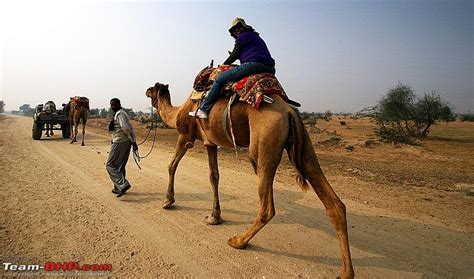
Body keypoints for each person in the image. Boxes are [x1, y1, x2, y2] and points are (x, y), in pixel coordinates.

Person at [189, 18, 276, 119]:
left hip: (255, 64)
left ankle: (203, 109)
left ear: (244, 27)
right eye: (234, 29)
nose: (236, 30)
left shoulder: (243, 36)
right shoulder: (254, 37)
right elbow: (242, 54)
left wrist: (222, 66)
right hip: (268, 67)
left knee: (219, 79)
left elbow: (234, 55)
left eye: (238, 27)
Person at [106, 98, 138, 198]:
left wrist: (132, 139)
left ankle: (123, 184)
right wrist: (132, 141)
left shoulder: (120, 114)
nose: (113, 107)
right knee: (120, 165)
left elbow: (126, 128)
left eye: (114, 105)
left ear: (119, 104)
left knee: (110, 165)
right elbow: (127, 128)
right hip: (125, 141)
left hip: (120, 142)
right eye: (111, 105)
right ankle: (118, 188)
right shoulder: (121, 113)